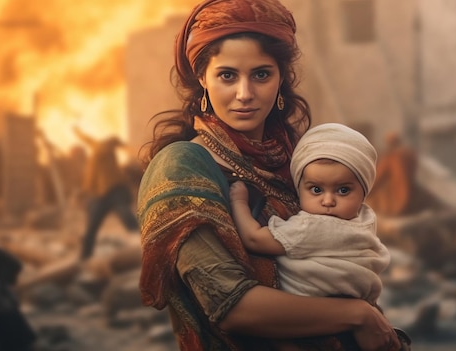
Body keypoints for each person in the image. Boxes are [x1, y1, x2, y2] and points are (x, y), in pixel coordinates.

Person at [137, 0, 402, 350]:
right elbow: (229, 305)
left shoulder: (296, 162)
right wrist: (359, 315)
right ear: (202, 77)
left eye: (261, 74)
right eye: (227, 75)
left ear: (280, 79)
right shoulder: (182, 166)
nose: (245, 94)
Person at [229, 123, 390, 304]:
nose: (328, 201)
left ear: (364, 192)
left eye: (343, 190)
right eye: (316, 189)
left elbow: (254, 239)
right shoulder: (366, 219)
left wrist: (239, 201)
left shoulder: (312, 227)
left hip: (309, 308)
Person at [74, 126, 139, 260]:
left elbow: (113, 140)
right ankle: (84, 257)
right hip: (100, 195)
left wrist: (125, 147)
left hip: (115, 191)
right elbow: (89, 140)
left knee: (127, 218)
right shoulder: (95, 152)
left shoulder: (104, 147)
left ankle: (146, 244)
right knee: (92, 227)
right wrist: (80, 133)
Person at [368, 132, 418, 217]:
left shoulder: (391, 158)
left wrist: (364, 193)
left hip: (399, 200)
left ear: (389, 143)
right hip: (413, 197)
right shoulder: (410, 155)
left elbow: (377, 179)